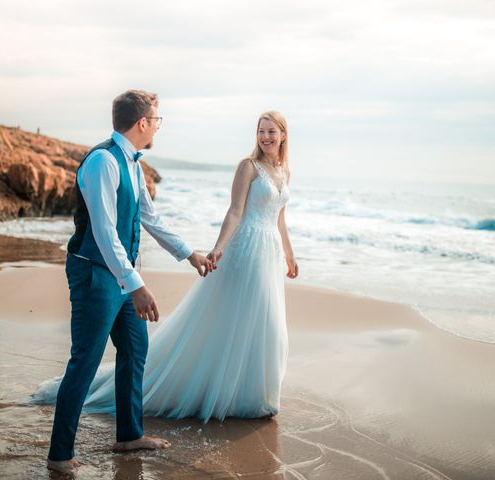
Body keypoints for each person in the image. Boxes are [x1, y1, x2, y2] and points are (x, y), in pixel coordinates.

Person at [35, 110, 298, 436]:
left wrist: (288, 252)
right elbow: (234, 212)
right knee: (91, 356)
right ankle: (65, 448)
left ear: (283, 135)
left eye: (272, 131)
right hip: (238, 252)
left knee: (265, 324)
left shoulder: (283, 170)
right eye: (261, 131)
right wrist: (215, 249)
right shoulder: (248, 167)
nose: (266, 137)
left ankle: (253, 396)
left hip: (268, 253)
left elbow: (279, 216)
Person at [45, 89, 212, 474]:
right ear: (142, 123)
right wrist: (136, 284)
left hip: (120, 275)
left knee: (136, 349)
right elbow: (104, 231)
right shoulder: (103, 161)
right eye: (157, 120)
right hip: (94, 273)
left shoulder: (134, 166)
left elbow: (150, 219)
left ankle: (129, 435)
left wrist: (190, 255)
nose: (157, 127)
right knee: (85, 360)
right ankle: (59, 453)